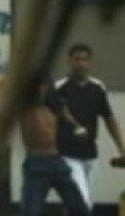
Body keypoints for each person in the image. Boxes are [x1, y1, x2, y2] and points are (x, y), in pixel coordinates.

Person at [56, 43, 125, 209]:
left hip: (90, 153)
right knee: (81, 200)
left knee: (84, 203)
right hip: (67, 154)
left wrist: (121, 149)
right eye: (77, 59)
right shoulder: (60, 88)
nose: (80, 63)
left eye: (84, 59)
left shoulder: (97, 87)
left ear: (90, 62)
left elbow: (109, 119)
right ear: (69, 61)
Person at [19, 78, 90, 216]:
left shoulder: (54, 106)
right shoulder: (24, 108)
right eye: (38, 86)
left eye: (44, 86)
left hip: (56, 161)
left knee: (80, 208)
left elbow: (68, 117)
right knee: (30, 212)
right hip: (36, 164)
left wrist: (78, 127)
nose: (41, 89)